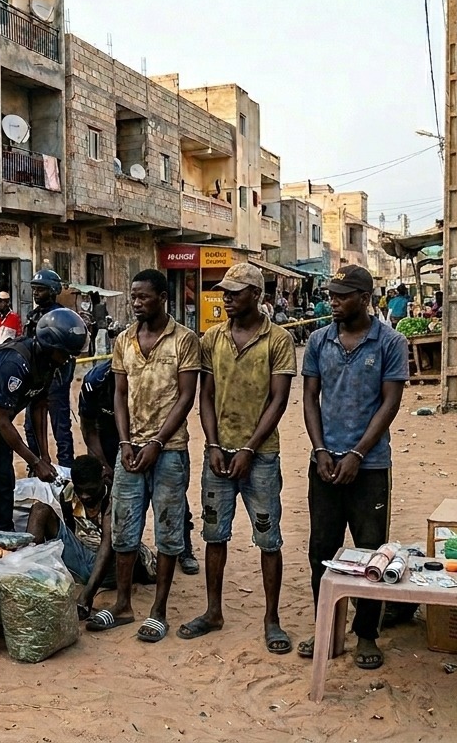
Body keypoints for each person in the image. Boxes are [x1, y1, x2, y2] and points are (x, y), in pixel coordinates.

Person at [178, 263, 296, 654]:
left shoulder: (277, 340)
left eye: (235, 292)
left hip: (260, 456)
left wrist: (248, 448)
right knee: (215, 535)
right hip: (219, 454)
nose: (226, 297)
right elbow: (205, 396)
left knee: (268, 538)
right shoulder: (212, 338)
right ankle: (213, 612)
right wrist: (213, 444)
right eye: (224, 291)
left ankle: (272, 618)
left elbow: (278, 400)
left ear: (256, 295)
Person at [298, 264, 408, 670]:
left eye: (342, 296)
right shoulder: (318, 341)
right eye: (332, 295)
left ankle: (366, 634)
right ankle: (325, 627)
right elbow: (310, 398)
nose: (334, 302)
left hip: (370, 467)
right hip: (325, 464)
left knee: (369, 554)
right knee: (321, 552)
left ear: (364, 299)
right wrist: (321, 449)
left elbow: (389, 404)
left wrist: (358, 455)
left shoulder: (390, 343)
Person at [86, 269, 200, 643]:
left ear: (163, 297)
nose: (136, 303)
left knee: (168, 531)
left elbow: (186, 397)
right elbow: (120, 394)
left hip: (169, 452)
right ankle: (122, 605)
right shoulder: (124, 341)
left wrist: (156, 442)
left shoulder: (184, 341)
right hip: (130, 451)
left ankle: (159, 610)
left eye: (143, 297)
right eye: (133, 296)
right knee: (124, 530)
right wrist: (125, 442)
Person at [0, 309, 87, 531]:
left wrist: (45, 456)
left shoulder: (49, 365)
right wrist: (34, 462)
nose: (69, 359)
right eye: (66, 353)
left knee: (3, 480)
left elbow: (39, 407)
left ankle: (4, 534)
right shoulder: (16, 364)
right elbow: (2, 421)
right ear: (51, 347)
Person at [25, 454, 156, 620]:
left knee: (112, 546)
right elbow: (69, 532)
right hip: (81, 557)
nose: (85, 496)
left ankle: (88, 588)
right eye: (81, 490)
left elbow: (108, 546)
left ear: (102, 479)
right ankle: (28, 576)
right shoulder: (69, 493)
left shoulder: (115, 498)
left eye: (91, 490)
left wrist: (87, 595)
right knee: (40, 510)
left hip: (109, 568)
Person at [23, 270, 76, 469]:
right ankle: (36, 465)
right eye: (34, 289)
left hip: (55, 379)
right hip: (36, 378)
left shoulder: (62, 316)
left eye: (41, 290)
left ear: (53, 291)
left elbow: (70, 352)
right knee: (31, 426)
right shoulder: (33, 315)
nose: (36, 294)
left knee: (60, 426)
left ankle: (66, 468)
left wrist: (63, 378)